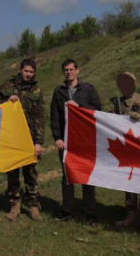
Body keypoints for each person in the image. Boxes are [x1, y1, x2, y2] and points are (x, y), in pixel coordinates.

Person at [0, 59, 45, 221]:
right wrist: (6, 102)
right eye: (26, 71)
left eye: (31, 72)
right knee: (13, 172)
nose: (28, 74)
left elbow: (40, 117)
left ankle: (34, 205)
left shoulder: (36, 91)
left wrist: (38, 142)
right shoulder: (7, 86)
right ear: (20, 70)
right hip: (11, 138)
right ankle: (15, 203)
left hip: (29, 139)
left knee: (31, 174)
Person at [50, 59, 102, 224]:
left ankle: (90, 211)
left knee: (86, 174)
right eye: (65, 70)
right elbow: (55, 117)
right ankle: (67, 209)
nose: (69, 72)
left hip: (85, 140)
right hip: (66, 140)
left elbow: (98, 110)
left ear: (77, 71)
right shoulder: (58, 92)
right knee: (67, 175)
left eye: (71, 69)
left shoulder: (88, 89)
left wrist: (79, 106)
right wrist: (57, 137)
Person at [110, 72, 140, 235]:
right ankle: (131, 215)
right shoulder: (116, 103)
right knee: (128, 184)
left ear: (134, 84)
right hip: (125, 151)